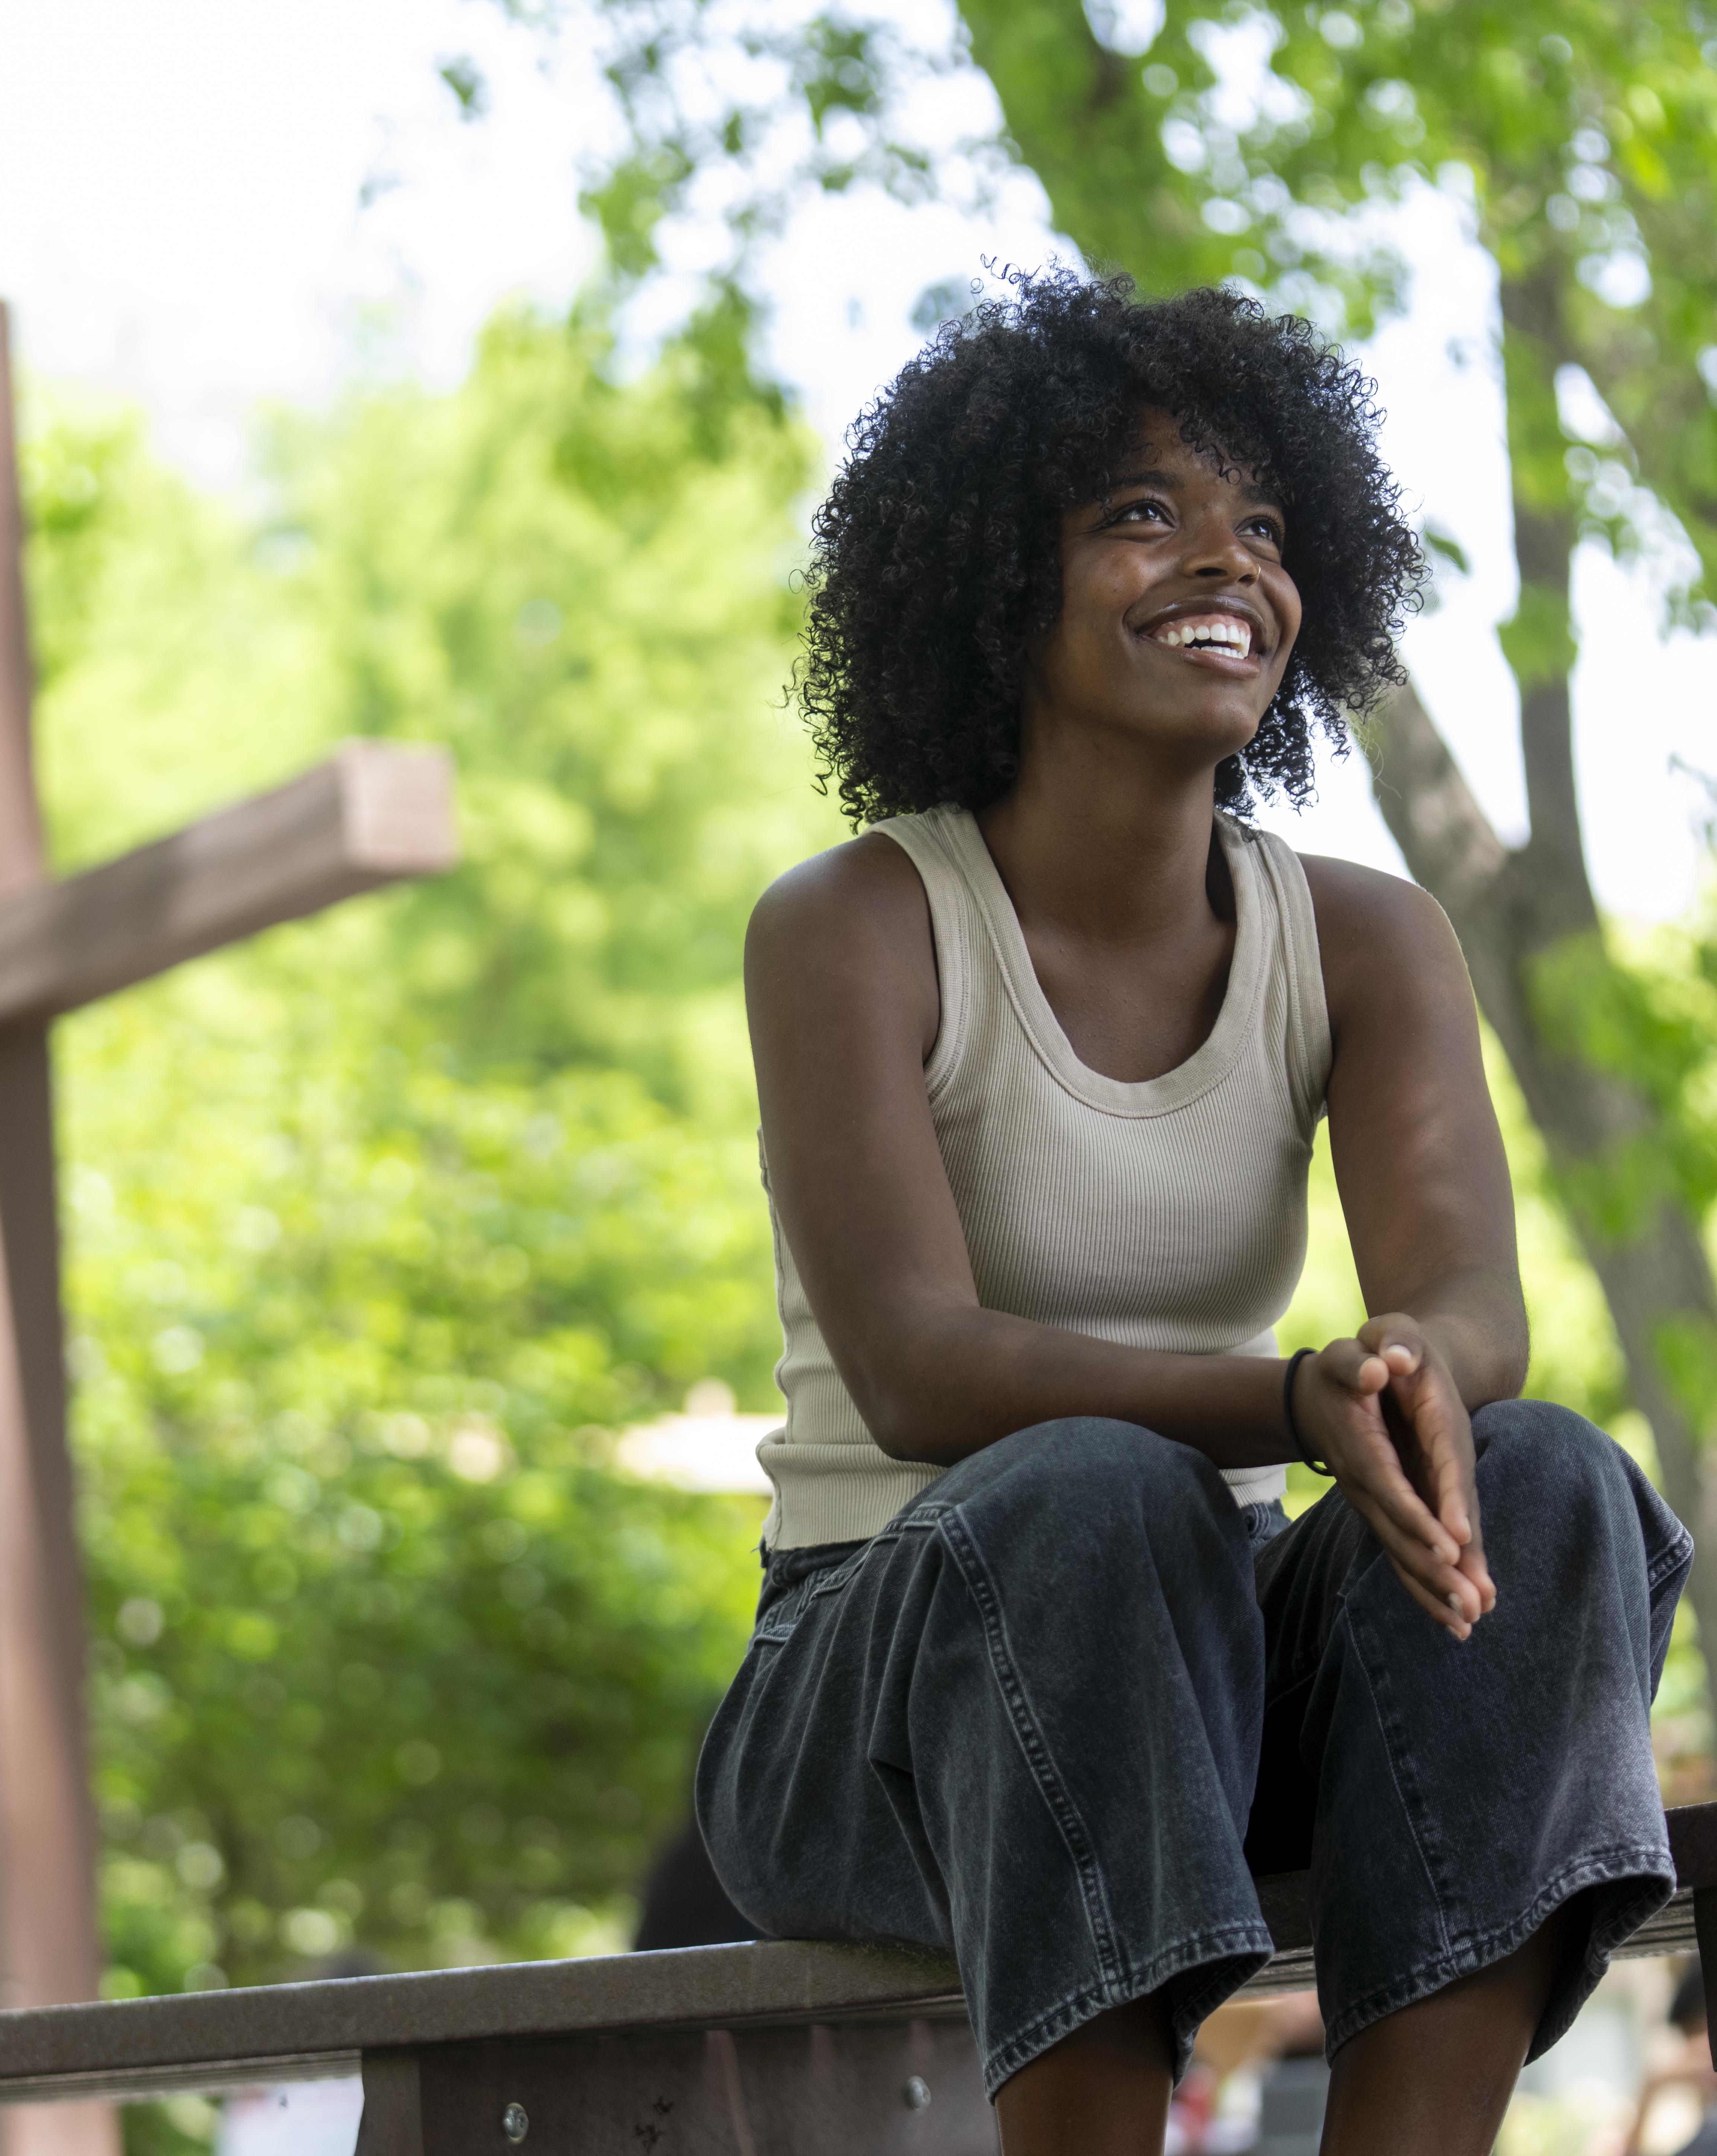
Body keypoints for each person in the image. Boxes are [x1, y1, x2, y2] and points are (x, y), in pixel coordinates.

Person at [695, 270, 1692, 2156]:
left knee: (1547, 1471)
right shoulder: (856, 924)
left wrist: (1406, 1370)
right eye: (1140, 512)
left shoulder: (1368, 932)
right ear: (998, 576)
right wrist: (1292, 1402)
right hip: (875, 1698)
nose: (1220, 559)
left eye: (1262, 522)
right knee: (1095, 1492)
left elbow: (1473, 1293)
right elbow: (919, 1369)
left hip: (1206, 1680)